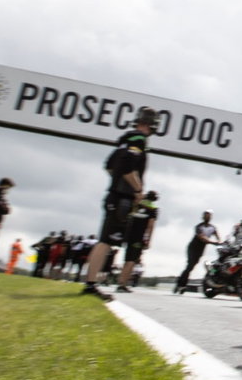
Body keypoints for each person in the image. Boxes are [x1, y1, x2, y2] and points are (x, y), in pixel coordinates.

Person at [83, 107, 159, 301]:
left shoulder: (125, 139)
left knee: (105, 241)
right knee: (106, 241)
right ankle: (91, 284)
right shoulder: (139, 140)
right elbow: (128, 169)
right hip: (122, 198)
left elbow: (109, 166)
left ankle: (91, 282)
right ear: (150, 124)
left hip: (114, 194)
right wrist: (137, 190)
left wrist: (118, 182)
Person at [115, 192, 159, 292]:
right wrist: (148, 240)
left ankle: (121, 281)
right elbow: (150, 225)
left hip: (128, 234)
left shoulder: (137, 204)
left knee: (127, 259)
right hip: (139, 236)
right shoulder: (153, 209)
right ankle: (122, 284)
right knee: (132, 260)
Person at [174, 210, 221, 294]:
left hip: (200, 250)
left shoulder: (213, 228)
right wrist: (213, 242)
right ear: (203, 217)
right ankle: (182, 285)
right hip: (192, 248)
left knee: (190, 267)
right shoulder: (199, 227)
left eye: (209, 215)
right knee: (190, 265)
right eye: (206, 215)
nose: (207, 217)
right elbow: (202, 238)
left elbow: (218, 237)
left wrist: (220, 242)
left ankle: (179, 283)